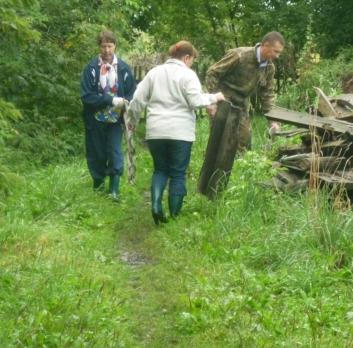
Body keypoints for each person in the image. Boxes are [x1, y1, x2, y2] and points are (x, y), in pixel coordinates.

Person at [127, 41, 225, 225]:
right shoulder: (188, 75)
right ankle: (174, 216)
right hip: (180, 133)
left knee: (160, 170)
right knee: (178, 174)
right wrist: (215, 97)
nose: (191, 64)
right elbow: (195, 101)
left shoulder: (153, 73)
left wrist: (132, 121)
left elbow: (137, 100)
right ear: (186, 57)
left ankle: (156, 205)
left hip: (156, 132)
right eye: (192, 60)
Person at [204, 31, 285, 151]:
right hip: (222, 100)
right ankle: (214, 168)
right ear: (266, 46)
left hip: (240, 103)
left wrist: (273, 121)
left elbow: (267, 95)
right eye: (276, 51)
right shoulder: (240, 55)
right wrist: (211, 100)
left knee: (244, 140)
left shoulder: (269, 68)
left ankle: (238, 167)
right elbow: (213, 73)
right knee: (219, 139)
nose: (277, 56)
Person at [81, 30, 136, 202]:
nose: (107, 50)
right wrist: (109, 100)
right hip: (95, 120)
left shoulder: (124, 69)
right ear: (99, 47)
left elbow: (132, 94)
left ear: (115, 46)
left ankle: (114, 190)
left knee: (114, 151)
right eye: (103, 46)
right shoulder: (91, 69)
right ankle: (98, 187)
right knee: (97, 152)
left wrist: (125, 103)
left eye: (110, 46)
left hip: (116, 121)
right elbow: (86, 96)